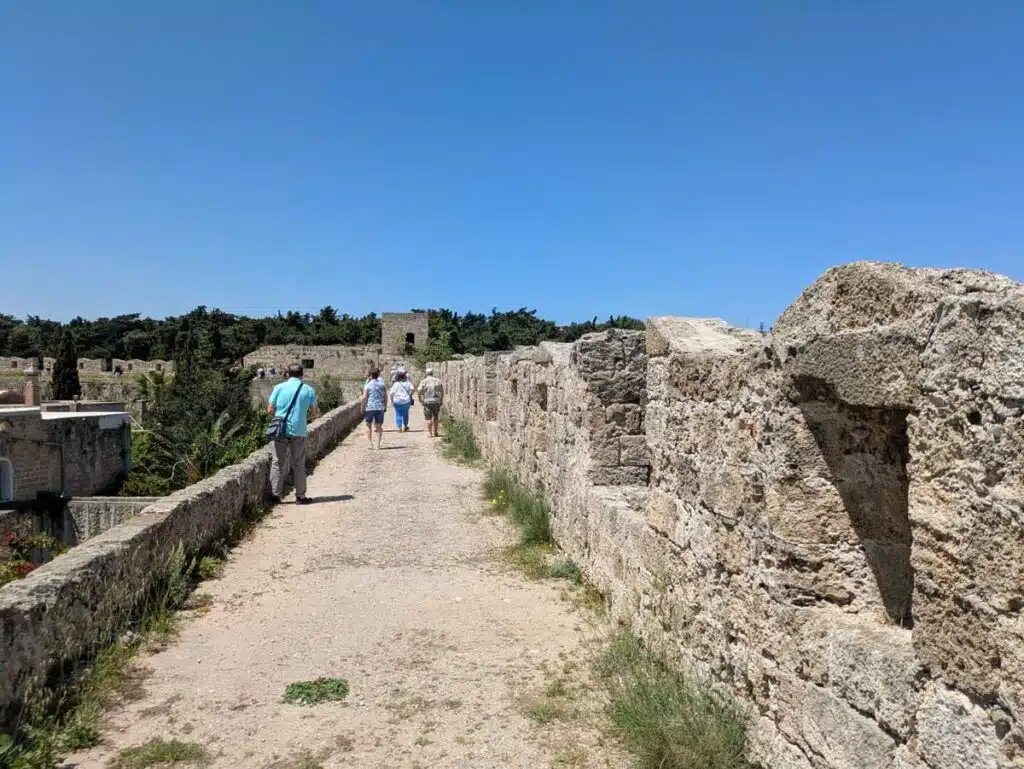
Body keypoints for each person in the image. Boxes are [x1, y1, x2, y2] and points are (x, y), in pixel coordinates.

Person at [266, 363, 319, 504]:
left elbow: (270, 409)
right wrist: (303, 417)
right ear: (302, 374)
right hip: (299, 430)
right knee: (299, 464)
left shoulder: (278, 388)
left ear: (288, 374)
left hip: (279, 430)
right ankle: (300, 496)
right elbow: (314, 413)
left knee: (277, 462)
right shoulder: (308, 390)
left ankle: (276, 495)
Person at [361, 367, 387, 449]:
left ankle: (370, 444)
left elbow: (364, 397)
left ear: (371, 375)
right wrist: (385, 406)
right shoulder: (382, 384)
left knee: (368, 425)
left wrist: (362, 407)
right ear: (378, 374)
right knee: (379, 426)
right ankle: (378, 445)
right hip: (380, 407)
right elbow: (385, 397)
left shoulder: (367, 385)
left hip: (370, 407)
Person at [417, 367, 444, 438]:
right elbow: (442, 390)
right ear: (432, 373)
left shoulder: (424, 381)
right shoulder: (437, 381)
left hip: (427, 401)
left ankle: (429, 433)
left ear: (426, 373)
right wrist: (441, 399)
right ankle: (435, 432)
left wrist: (420, 398)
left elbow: (419, 390)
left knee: (428, 418)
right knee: (435, 417)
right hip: (436, 401)